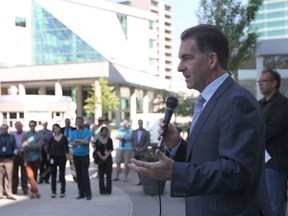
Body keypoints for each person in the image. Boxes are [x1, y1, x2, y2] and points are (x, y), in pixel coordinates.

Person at [128, 24, 272, 215]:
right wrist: (177, 144)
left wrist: (176, 172)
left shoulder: (236, 100)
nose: (180, 67)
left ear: (212, 59)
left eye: (187, 58)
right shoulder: (208, 100)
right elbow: (206, 159)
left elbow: (237, 171)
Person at [258, 69, 288, 216]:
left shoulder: (283, 104)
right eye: (259, 82)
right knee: (261, 206)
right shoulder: (259, 104)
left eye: (263, 81)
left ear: (274, 83)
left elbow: (272, 130)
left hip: (275, 163)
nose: (260, 84)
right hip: (258, 162)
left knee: (274, 207)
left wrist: (252, 134)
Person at [70, 116, 92, 200]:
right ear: (76, 123)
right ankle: (81, 193)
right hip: (76, 155)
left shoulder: (87, 131)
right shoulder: (73, 132)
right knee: (78, 175)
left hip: (84, 155)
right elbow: (71, 143)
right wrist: (81, 141)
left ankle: (88, 193)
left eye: (80, 122)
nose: (79, 123)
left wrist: (77, 141)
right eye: (78, 122)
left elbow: (87, 141)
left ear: (83, 123)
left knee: (85, 175)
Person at [22, 120, 43, 199]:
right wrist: (34, 146)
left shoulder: (39, 135)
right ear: (29, 126)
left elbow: (39, 146)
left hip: (36, 158)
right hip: (28, 158)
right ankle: (36, 191)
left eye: (33, 125)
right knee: (30, 176)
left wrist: (29, 146)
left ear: (35, 126)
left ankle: (32, 191)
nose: (32, 127)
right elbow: (24, 146)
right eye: (30, 125)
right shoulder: (25, 135)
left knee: (34, 175)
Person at [47, 123, 68, 198]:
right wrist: (48, 158)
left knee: (62, 175)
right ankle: (53, 191)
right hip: (53, 158)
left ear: (60, 128)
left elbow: (67, 148)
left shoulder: (64, 138)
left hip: (62, 157)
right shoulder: (51, 138)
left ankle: (62, 191)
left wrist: (67, 156)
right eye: (54, 128)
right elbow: (48, 149)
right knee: (53, 175)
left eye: (57, 128)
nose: (56, 129)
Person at [94, 127, 113, 195]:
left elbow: (111, 149)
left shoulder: (109, 140)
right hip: (100, 160)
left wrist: (106, 156)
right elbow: (97, 150)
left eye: (106, 131)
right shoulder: (98, 140)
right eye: (103, 131)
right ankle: (102, 190)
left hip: (108, 159)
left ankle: (108, 190)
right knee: (101, 176)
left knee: (108, 176)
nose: (104, 132)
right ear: (101, 132)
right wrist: (101, 157)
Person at [0, 124, 17, 200]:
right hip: (0, 160)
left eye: (5, 128)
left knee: (9, 177)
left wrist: (13, 157)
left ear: (7, 129)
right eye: (2, 129)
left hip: (9, 159)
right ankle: (0, 193)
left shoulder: (12, 137)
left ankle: (9, 193)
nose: (4, 130)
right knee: (0, 178)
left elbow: (15, 148)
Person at [11, 121, 29, 195]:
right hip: (14, 155)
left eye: (20, 125)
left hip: (23, 155)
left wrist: (21, 150)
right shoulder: (12, 134)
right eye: (17, 126)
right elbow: (11, 143)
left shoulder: (26, 134)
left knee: (24, 173)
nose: (19, 127)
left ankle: (24, 188)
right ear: (15, 127)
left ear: (22, 126)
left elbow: (28, 143)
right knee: (14, 173)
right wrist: (16, 151)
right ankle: (14, 189)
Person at [131, 119, 150, 185]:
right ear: (138, 123)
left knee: (143, 165)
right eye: (139, 123)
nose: (140, 124)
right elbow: (131, 141)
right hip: (135, 151)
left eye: (141, 123)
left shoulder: (146, 132)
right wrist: (134, 148)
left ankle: (144, 180)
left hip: (143, 151)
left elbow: (148, 141)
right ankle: (140, 180)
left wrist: (143, 148)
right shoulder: (134, 132)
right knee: (137, 166)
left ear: (142, 123)